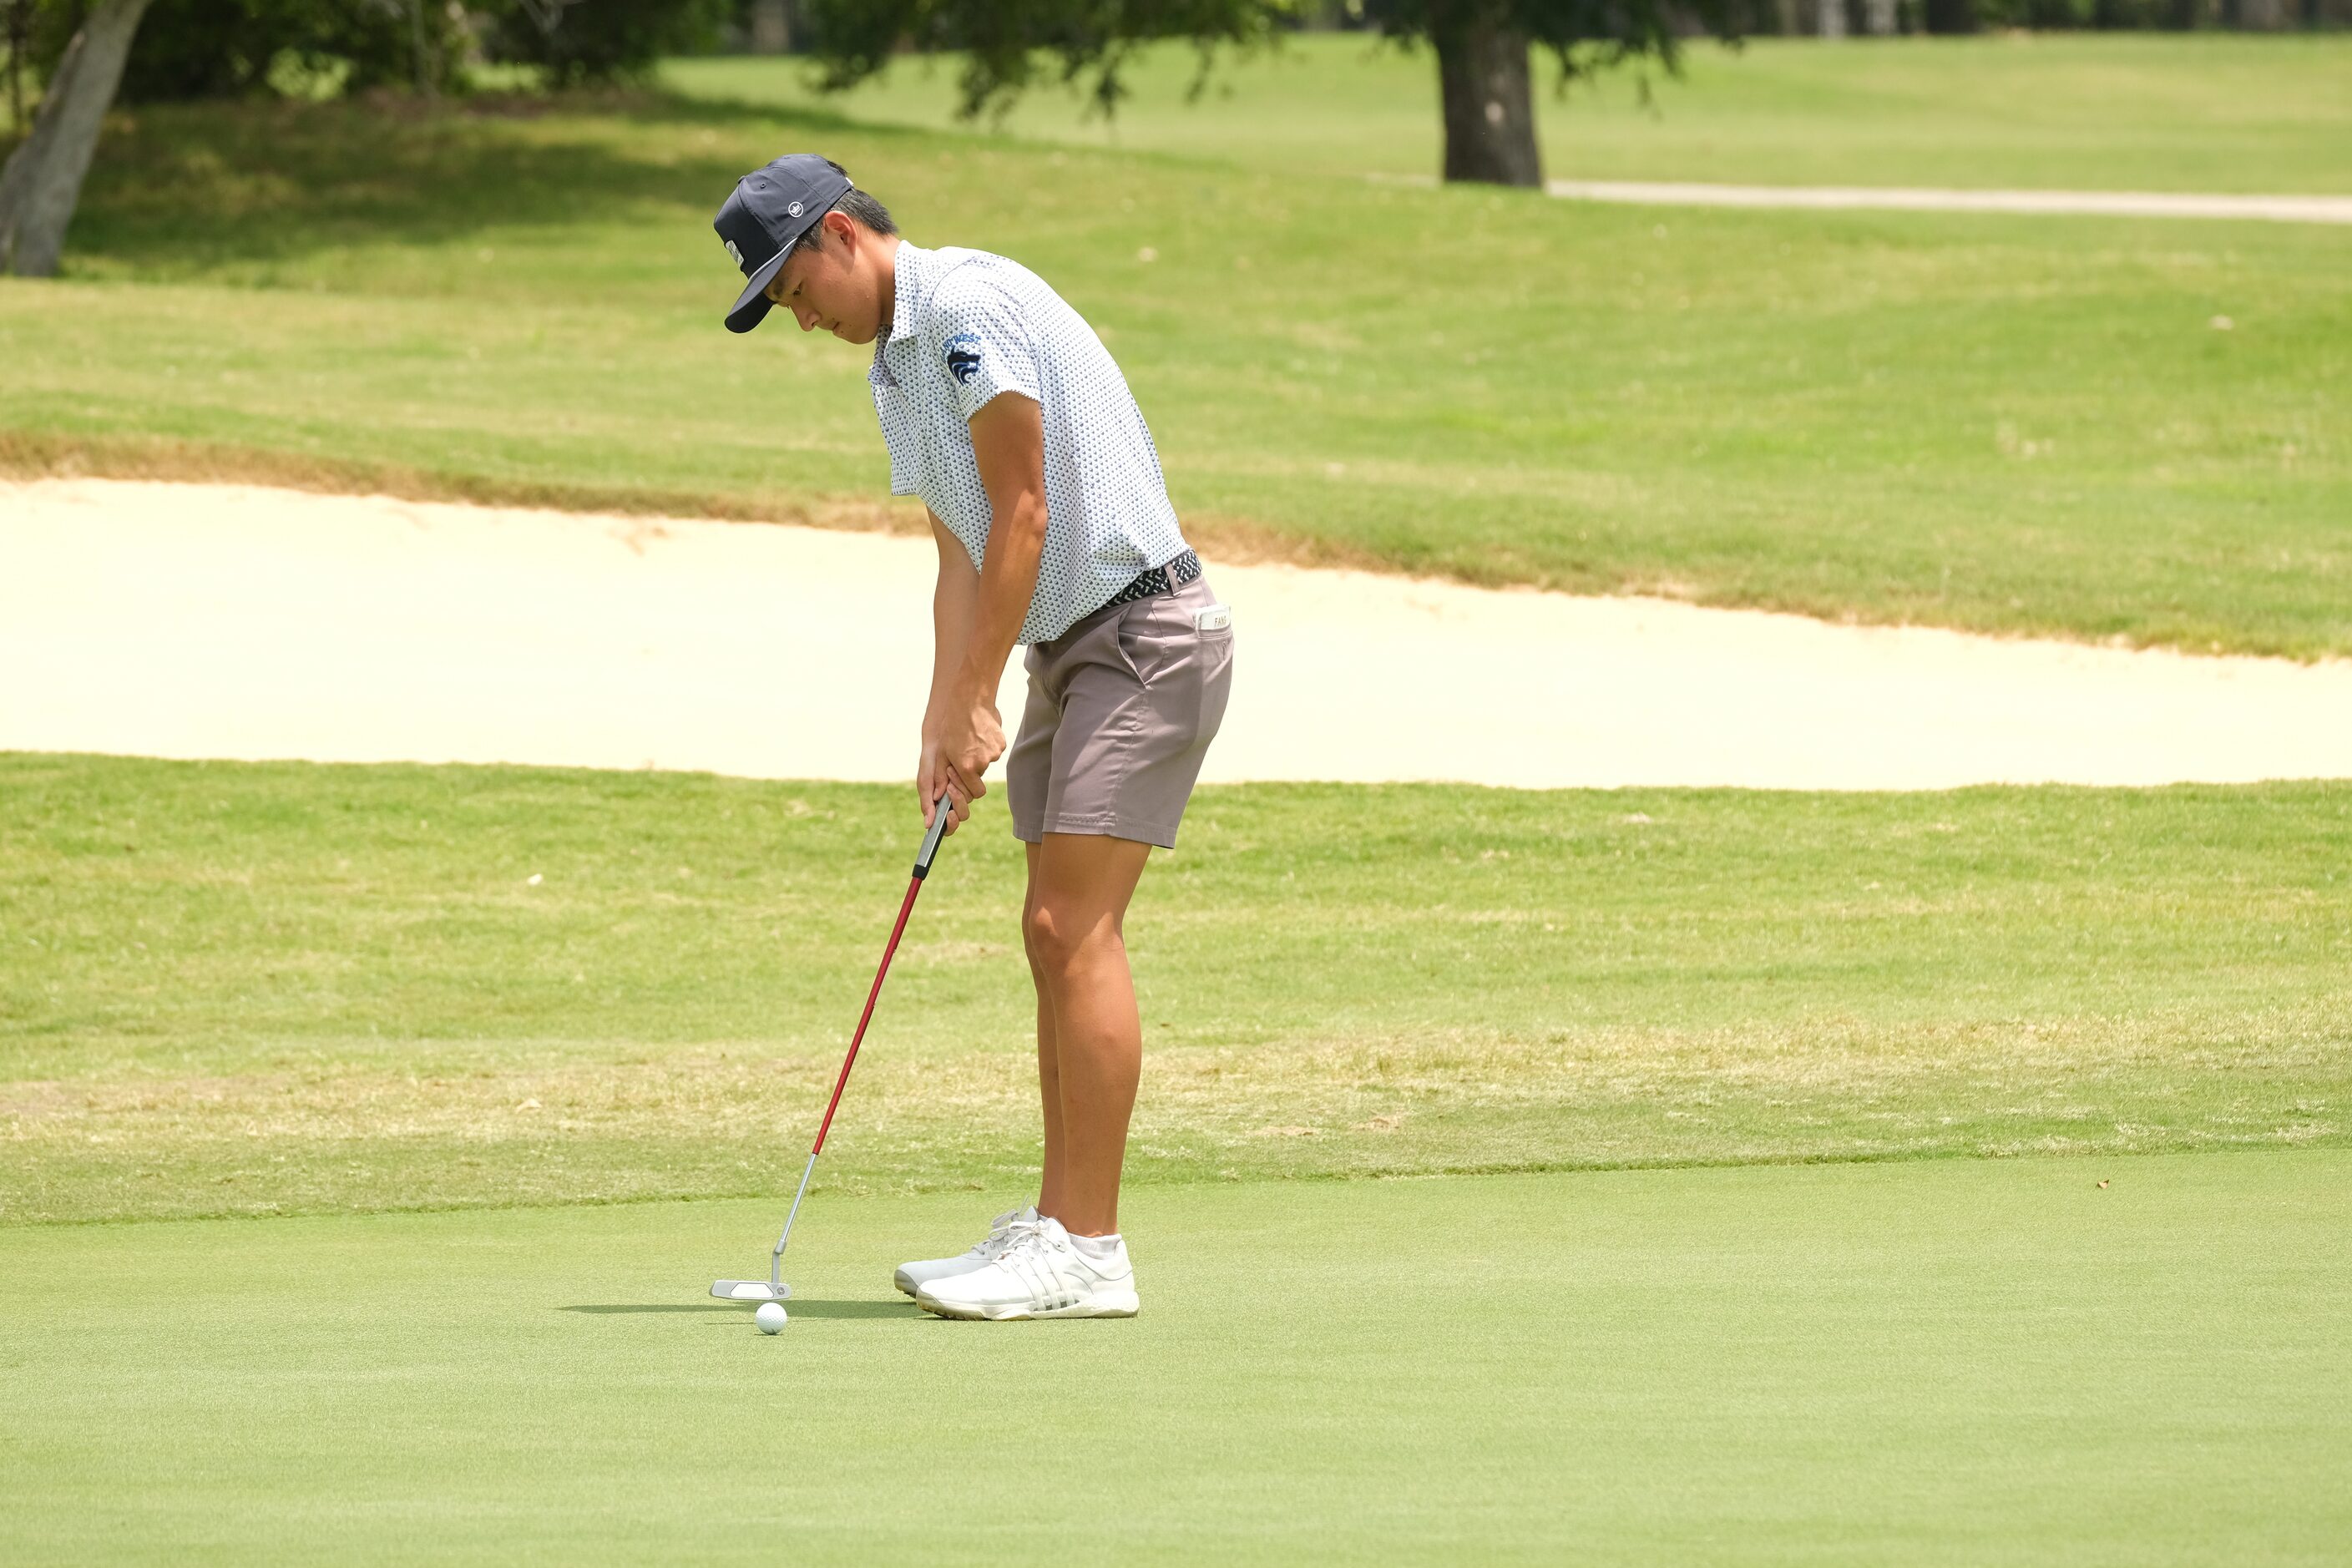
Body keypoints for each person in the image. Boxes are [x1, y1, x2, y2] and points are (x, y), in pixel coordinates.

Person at [714, 154, 1234, 1321]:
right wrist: (943, 715)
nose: (800, 317)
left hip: (1144, 634)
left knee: (1069, 925)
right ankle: (1056, 1227)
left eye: (795, 288)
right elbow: (961, 550)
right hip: (1073, 650)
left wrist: (981, 695)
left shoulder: (961, 306)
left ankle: (1090, 1249)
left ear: (839, 234)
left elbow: (1028, 506)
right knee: (1048, 934)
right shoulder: (894, 372)